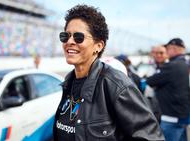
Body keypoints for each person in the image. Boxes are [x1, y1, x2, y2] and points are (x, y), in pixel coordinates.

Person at [53, 4, 164, 141]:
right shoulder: (68, 83)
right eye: (65, 36)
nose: (69, 41)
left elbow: (150, 137)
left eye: (78, 37)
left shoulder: (117, 85)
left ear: (98, 46)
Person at [146, 38, 190, 141]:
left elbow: (150, 81)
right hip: (182, 115)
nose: (161, 54)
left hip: (171, 117)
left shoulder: (172, 65)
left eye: (166, 50)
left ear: (173, 49)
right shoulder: (184, 64)